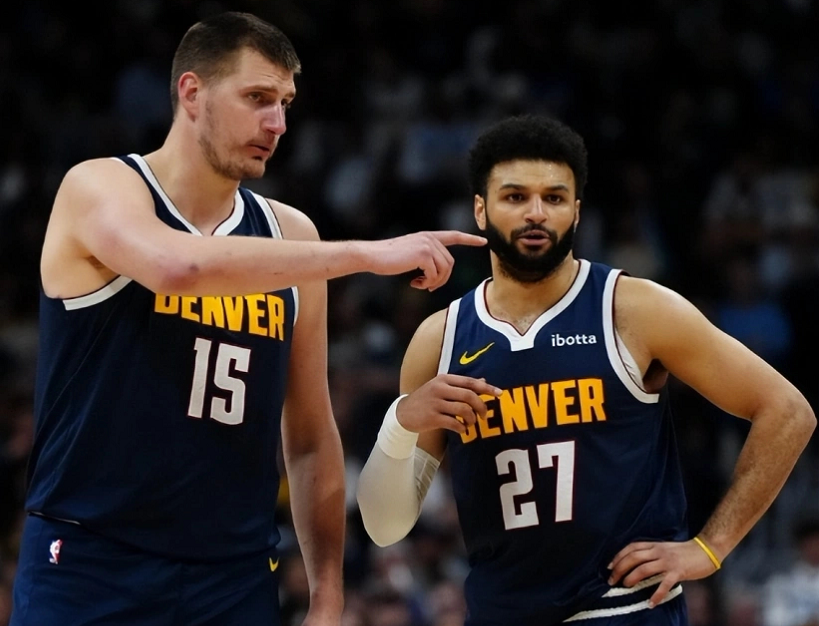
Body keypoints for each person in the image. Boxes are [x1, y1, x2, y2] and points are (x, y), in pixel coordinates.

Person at [10, 11, 485, 626]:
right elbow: (177, 267)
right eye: (258, 98)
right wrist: (368, 254)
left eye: (285, 103)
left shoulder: (292, 235)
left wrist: (328, 596)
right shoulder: (101, 187)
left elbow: (310, 435)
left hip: (233, 578)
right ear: (192, 92)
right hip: (92, 563)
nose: (277, 123)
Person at [356, 114, 816, 625]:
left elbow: (788, 412)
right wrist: (401, 421)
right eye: (515, 196)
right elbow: (385, 526)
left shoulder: (634, 309)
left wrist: (711, 547)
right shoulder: (439, 339)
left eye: (554, 198)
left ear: (576, 213)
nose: (536, 213)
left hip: (625, 610)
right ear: (480, 210)